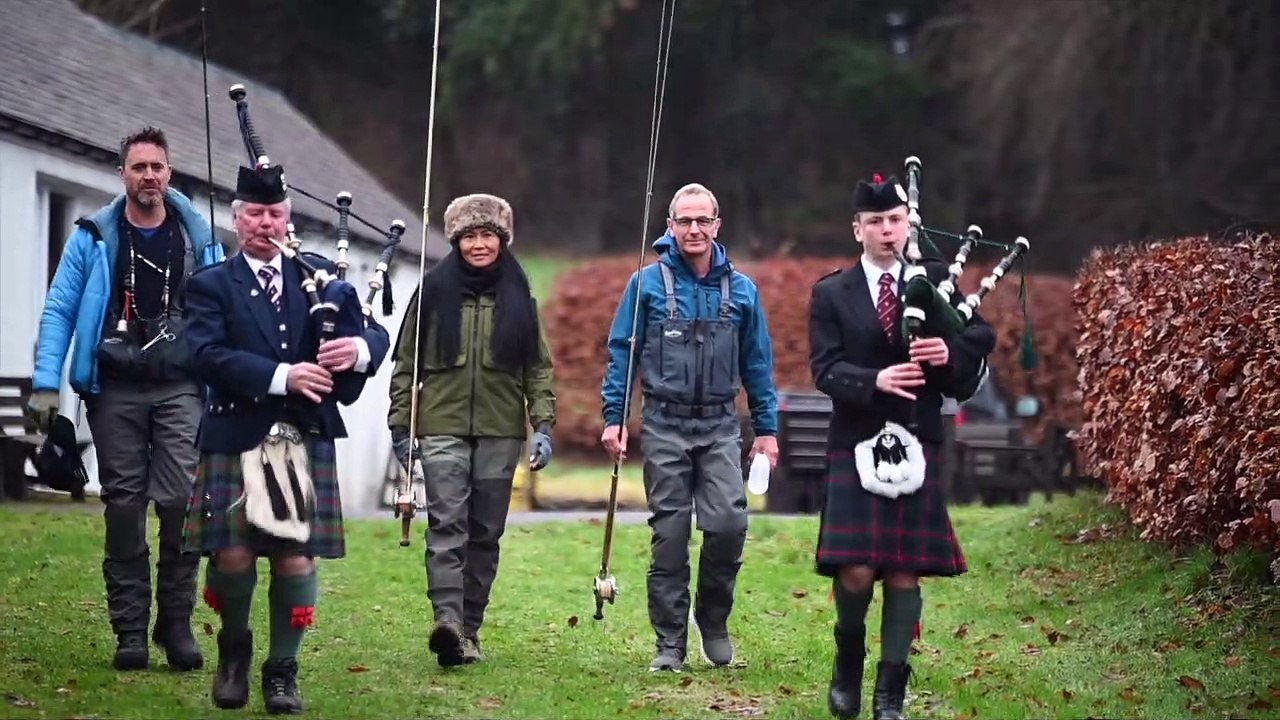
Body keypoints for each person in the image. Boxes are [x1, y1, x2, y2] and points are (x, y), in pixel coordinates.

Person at [181, 163, 389, 714]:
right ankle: (233, 652)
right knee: (232, 556)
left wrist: (359, 353)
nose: (264, 224)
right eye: (254, 213)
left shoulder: (318, 278)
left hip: (300, 437)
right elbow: (204, 355)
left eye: (274, 213)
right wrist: (283, 376)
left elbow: (372, 330)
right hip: (234, 433)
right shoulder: (209, 285)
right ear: (236, 218)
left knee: (295, 560)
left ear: (288, 218)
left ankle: (282, 670)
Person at [26, 126, 225, 672]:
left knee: (180, 502)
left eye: (157, 167)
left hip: (181, 384)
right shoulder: (93, 235)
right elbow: (60, 308)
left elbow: (220, 315)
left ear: (169, 172)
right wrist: (47, 382)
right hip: (113, 389)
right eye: (138, 167)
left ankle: (176, 623)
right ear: (122, 174)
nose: (149, 177)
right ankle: (130, 630)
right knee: (124, 508)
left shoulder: (200, 238)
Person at [807, 174, 996, 720]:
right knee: (859, 568)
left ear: (907, 223)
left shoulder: (938, 280)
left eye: (894, 220)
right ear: (857, 229)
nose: (886, 231)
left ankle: (891, 691)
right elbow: (824, 369)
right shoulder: (831, 292)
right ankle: (848, 659)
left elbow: (971, 358)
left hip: (919, 437)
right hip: (857, 440)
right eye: (875, 222)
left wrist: (945, 355)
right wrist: (875, 382)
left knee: (904, 568)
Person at [600, 182, 779, 673]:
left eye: (703, 221)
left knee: (728, 524)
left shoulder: (743, 291)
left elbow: (758, 364)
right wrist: (613, 417)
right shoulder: (646, 285)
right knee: (671, 535)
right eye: (685, 221)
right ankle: (670, 643)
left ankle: (713, 620)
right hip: (663, 425)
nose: (694, 229)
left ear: (717, 226)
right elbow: (623, 353)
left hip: (721, 427)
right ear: (670, 227)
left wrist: (767, 431)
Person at [387, 193, 555, 668]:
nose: (479, 245)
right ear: (456, 241)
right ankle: (447, 621)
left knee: (485, 533)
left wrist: (542, 424)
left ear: (502, 241)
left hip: (501, 431)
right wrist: (401, 424)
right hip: (441, 426)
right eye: (469, 237)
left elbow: (538, 369)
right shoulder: (432, 293)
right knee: (447, 525)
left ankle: (470, 629)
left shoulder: (522, 297)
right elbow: (405, 365)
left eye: (488, 236)